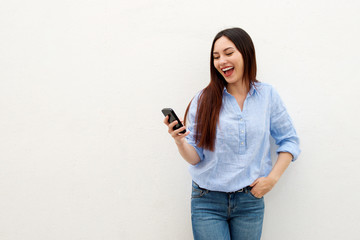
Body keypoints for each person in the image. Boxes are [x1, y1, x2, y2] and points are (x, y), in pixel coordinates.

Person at [163, 27, 300, 240]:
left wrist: (271, 180)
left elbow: (289, 141)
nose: (221, 61)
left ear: (246, 53)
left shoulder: (267, 96)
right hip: (207, 201)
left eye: (228, 53)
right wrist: (180, 141)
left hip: (250, 201)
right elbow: (195, 156)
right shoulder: (203, 99)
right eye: (216, 57)